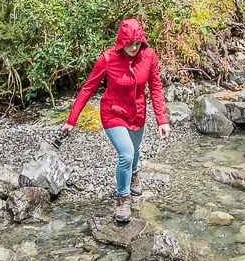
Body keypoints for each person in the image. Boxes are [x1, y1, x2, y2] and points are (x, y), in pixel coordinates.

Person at [61, 18, 170, 223]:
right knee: (126, 154)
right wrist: (71, 120)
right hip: (113, 113)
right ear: (122, 42)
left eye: (138, 43)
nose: (134, 47)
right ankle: (123, 198)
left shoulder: (149, 56)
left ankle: (135, 174)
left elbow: (155, 88)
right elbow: (87, 89)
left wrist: (162, 120)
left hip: (137, 113)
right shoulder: (108, 59)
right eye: (130, 44)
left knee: (135, 151)